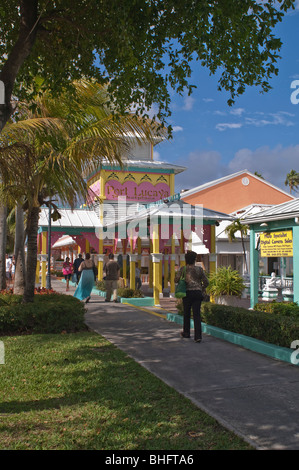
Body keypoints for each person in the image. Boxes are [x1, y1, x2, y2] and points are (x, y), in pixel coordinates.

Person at [175, 250, 209, 343]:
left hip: (187, 293)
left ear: (186, 260)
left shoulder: (183, 269)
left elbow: (176, 279)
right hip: (197, 293)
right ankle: (198, 336)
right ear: (194, 260)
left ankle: (186, 333)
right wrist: (201, 287)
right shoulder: (199, 269)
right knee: (197, 315)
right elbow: (206, 282)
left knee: (187, 313)